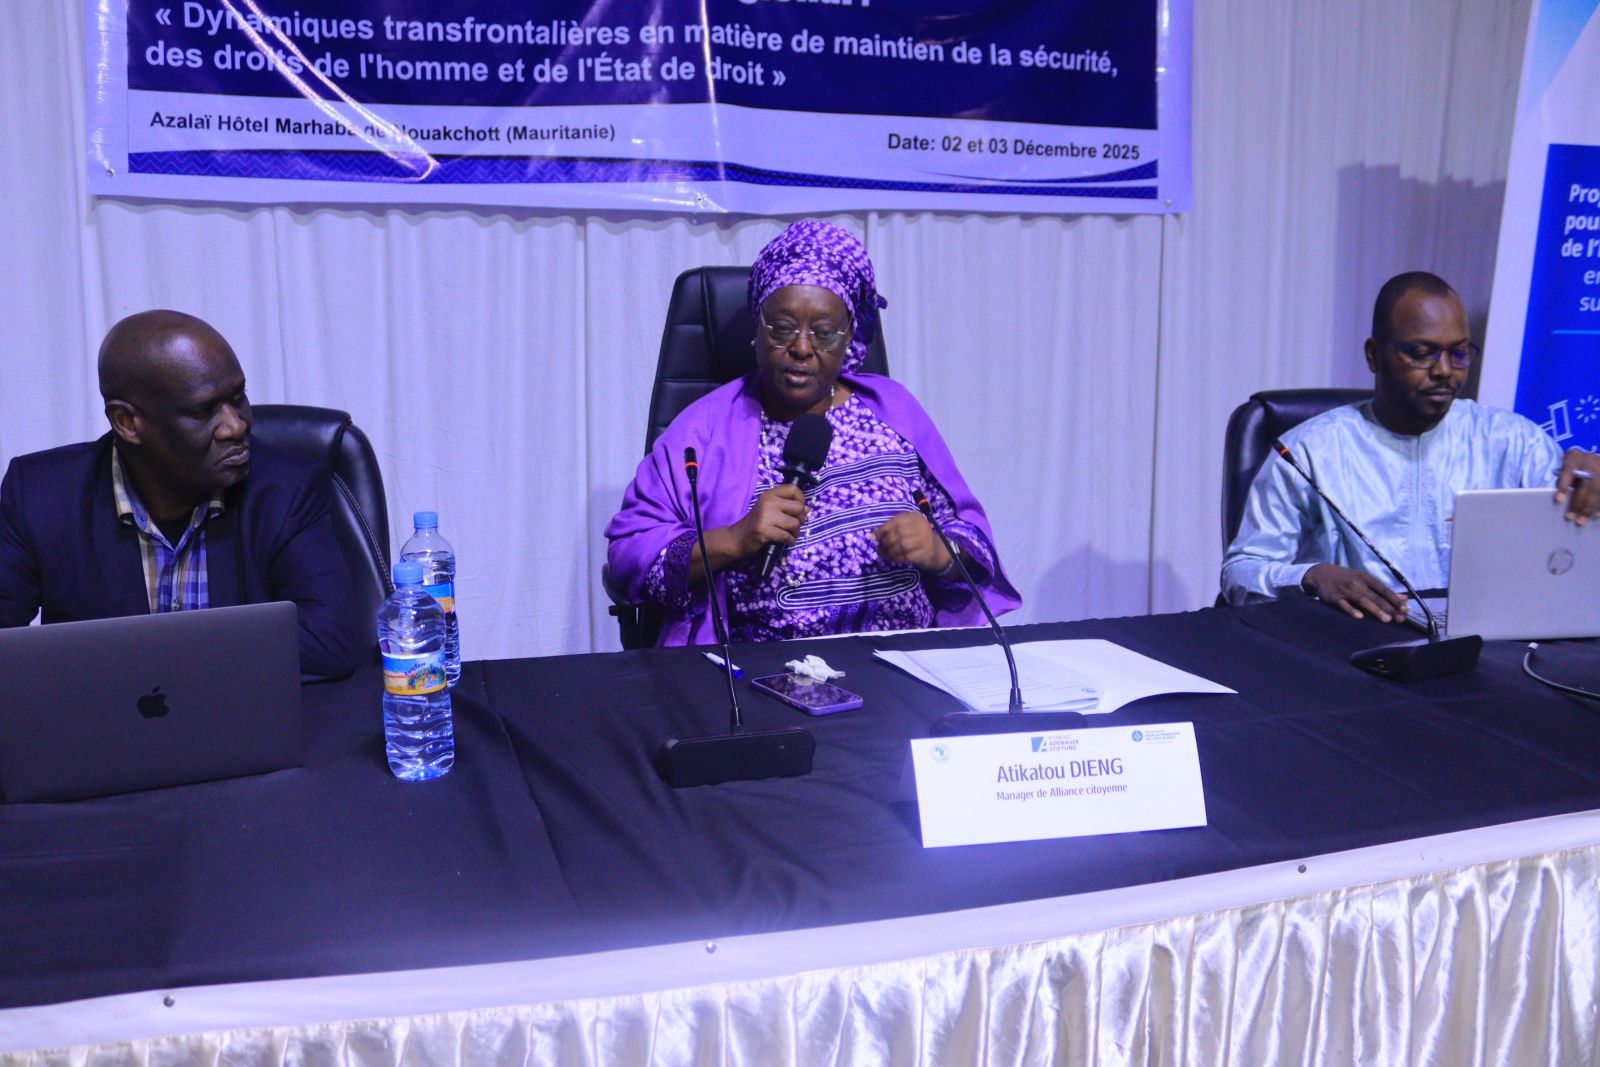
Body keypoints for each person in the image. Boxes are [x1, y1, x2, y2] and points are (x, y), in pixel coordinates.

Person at [606, 221, 1020, 645]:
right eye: (783, 328)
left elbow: (968, 536)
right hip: (764, 666)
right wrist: (735, 539)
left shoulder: (894, 410)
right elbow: (630, 555)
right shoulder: (703, 429)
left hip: (903, 658)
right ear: (757, 327)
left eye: (823, 333)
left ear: (848, 337)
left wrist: (940, 552)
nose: (802, 348)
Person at [0, 310, 362, 678]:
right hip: (101, 716)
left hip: (238, 712)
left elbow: (327, 644)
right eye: (204, 411)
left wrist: (134, 659)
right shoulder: (40, 497)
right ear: (127, 422)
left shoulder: (288, 489)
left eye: (238, 397)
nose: (235, 426)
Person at [1222, 271, 1600, 618]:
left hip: (1491, 648)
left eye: (1459, 353)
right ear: (1374, 355)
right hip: (1354, 648)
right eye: (1422, 354)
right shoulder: (1307, 452)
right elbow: (1240, 575)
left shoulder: (1513, 441)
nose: (1444, 370)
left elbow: (1573, 558)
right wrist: (1312, 576)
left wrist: (1590, 493)